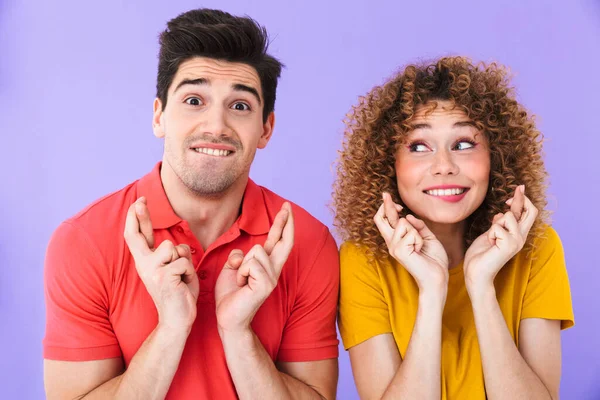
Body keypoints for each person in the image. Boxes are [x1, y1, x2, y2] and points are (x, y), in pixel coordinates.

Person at [43, 8, 339, 400]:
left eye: (240, 106)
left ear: (266, 128)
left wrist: (237, 333)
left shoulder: (307, 243)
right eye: (194, 100)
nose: (216, 126)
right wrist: (170, 329)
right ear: (159, 116)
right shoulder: (85, 242)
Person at [333, 56, 574, 399]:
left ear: (496, 156)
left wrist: (481, 285)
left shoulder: (538, 247)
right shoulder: (363, 259)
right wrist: (432, 291)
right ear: (390, 163)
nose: (443, 166)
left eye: (463, 144)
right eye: (419, 146)